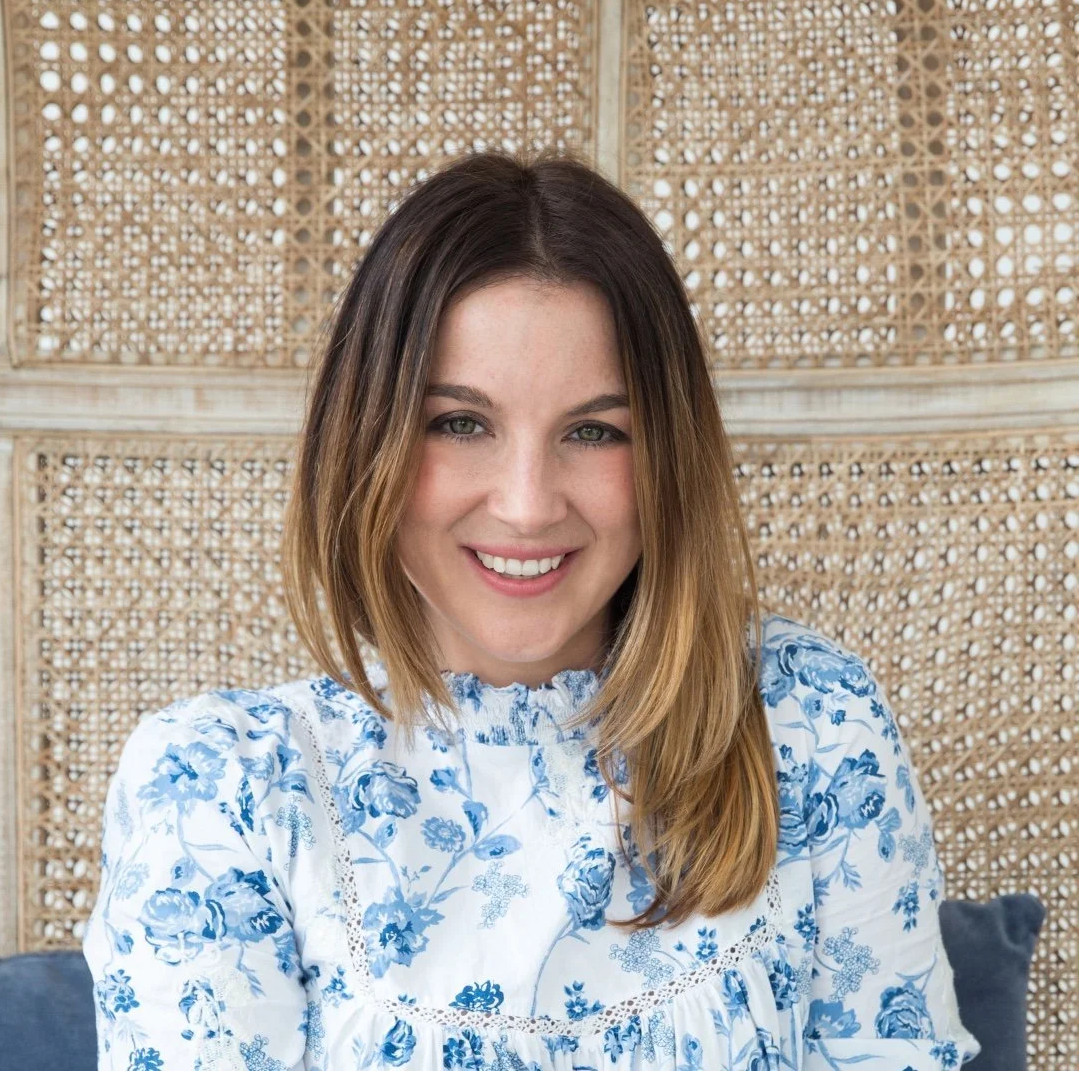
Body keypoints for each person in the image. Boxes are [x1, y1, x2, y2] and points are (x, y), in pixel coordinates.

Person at [83, 149, 980, 1070]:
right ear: (366, 438)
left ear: (668, 455)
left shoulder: (810, 723)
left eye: (593, 431)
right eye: (460, 423)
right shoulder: (218, 788)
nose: (526, 503)